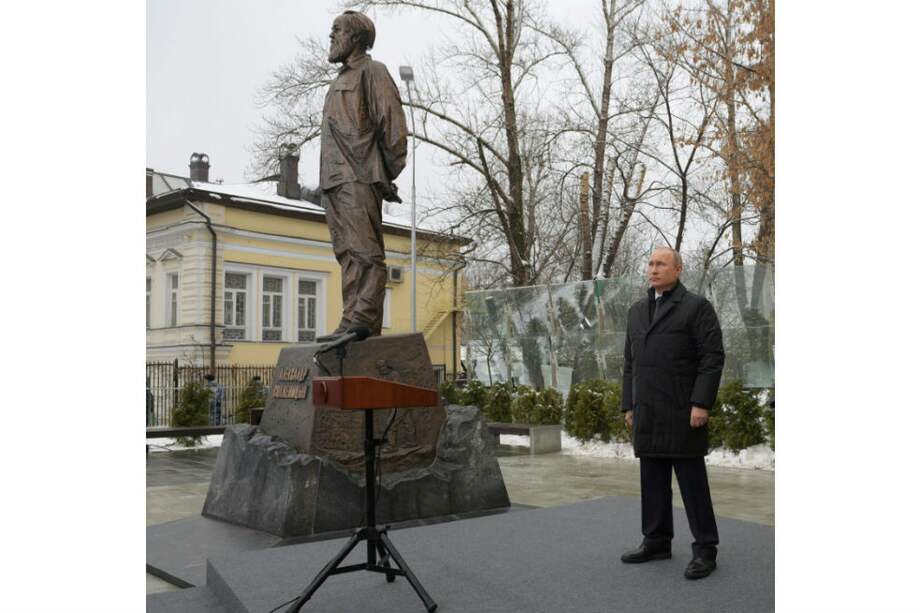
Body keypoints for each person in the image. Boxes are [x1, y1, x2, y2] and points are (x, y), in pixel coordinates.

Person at [302, 10, 408, 341]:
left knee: (365, 251)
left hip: (359, 175)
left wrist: (381, 173)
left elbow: (393, 129)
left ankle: (364, 318)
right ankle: (351, 319)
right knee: (347, 253)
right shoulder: (338, 81)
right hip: (333, 180)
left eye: (337, 30)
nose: (331, 37)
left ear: (356, 38)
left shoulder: (373, 72)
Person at [620, 247, 725, 579]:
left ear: (678, 269)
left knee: (692, 484)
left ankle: (705, 548)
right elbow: (628, 363)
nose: (653, 269)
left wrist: (701, 403)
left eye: (661, 264)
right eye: (650, 263)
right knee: (652, 481)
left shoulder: (696, 308)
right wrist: (629, 404)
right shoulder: (637, 311)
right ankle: (656, 540)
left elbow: (712, 357)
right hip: (648, 410)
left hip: (683, 411)